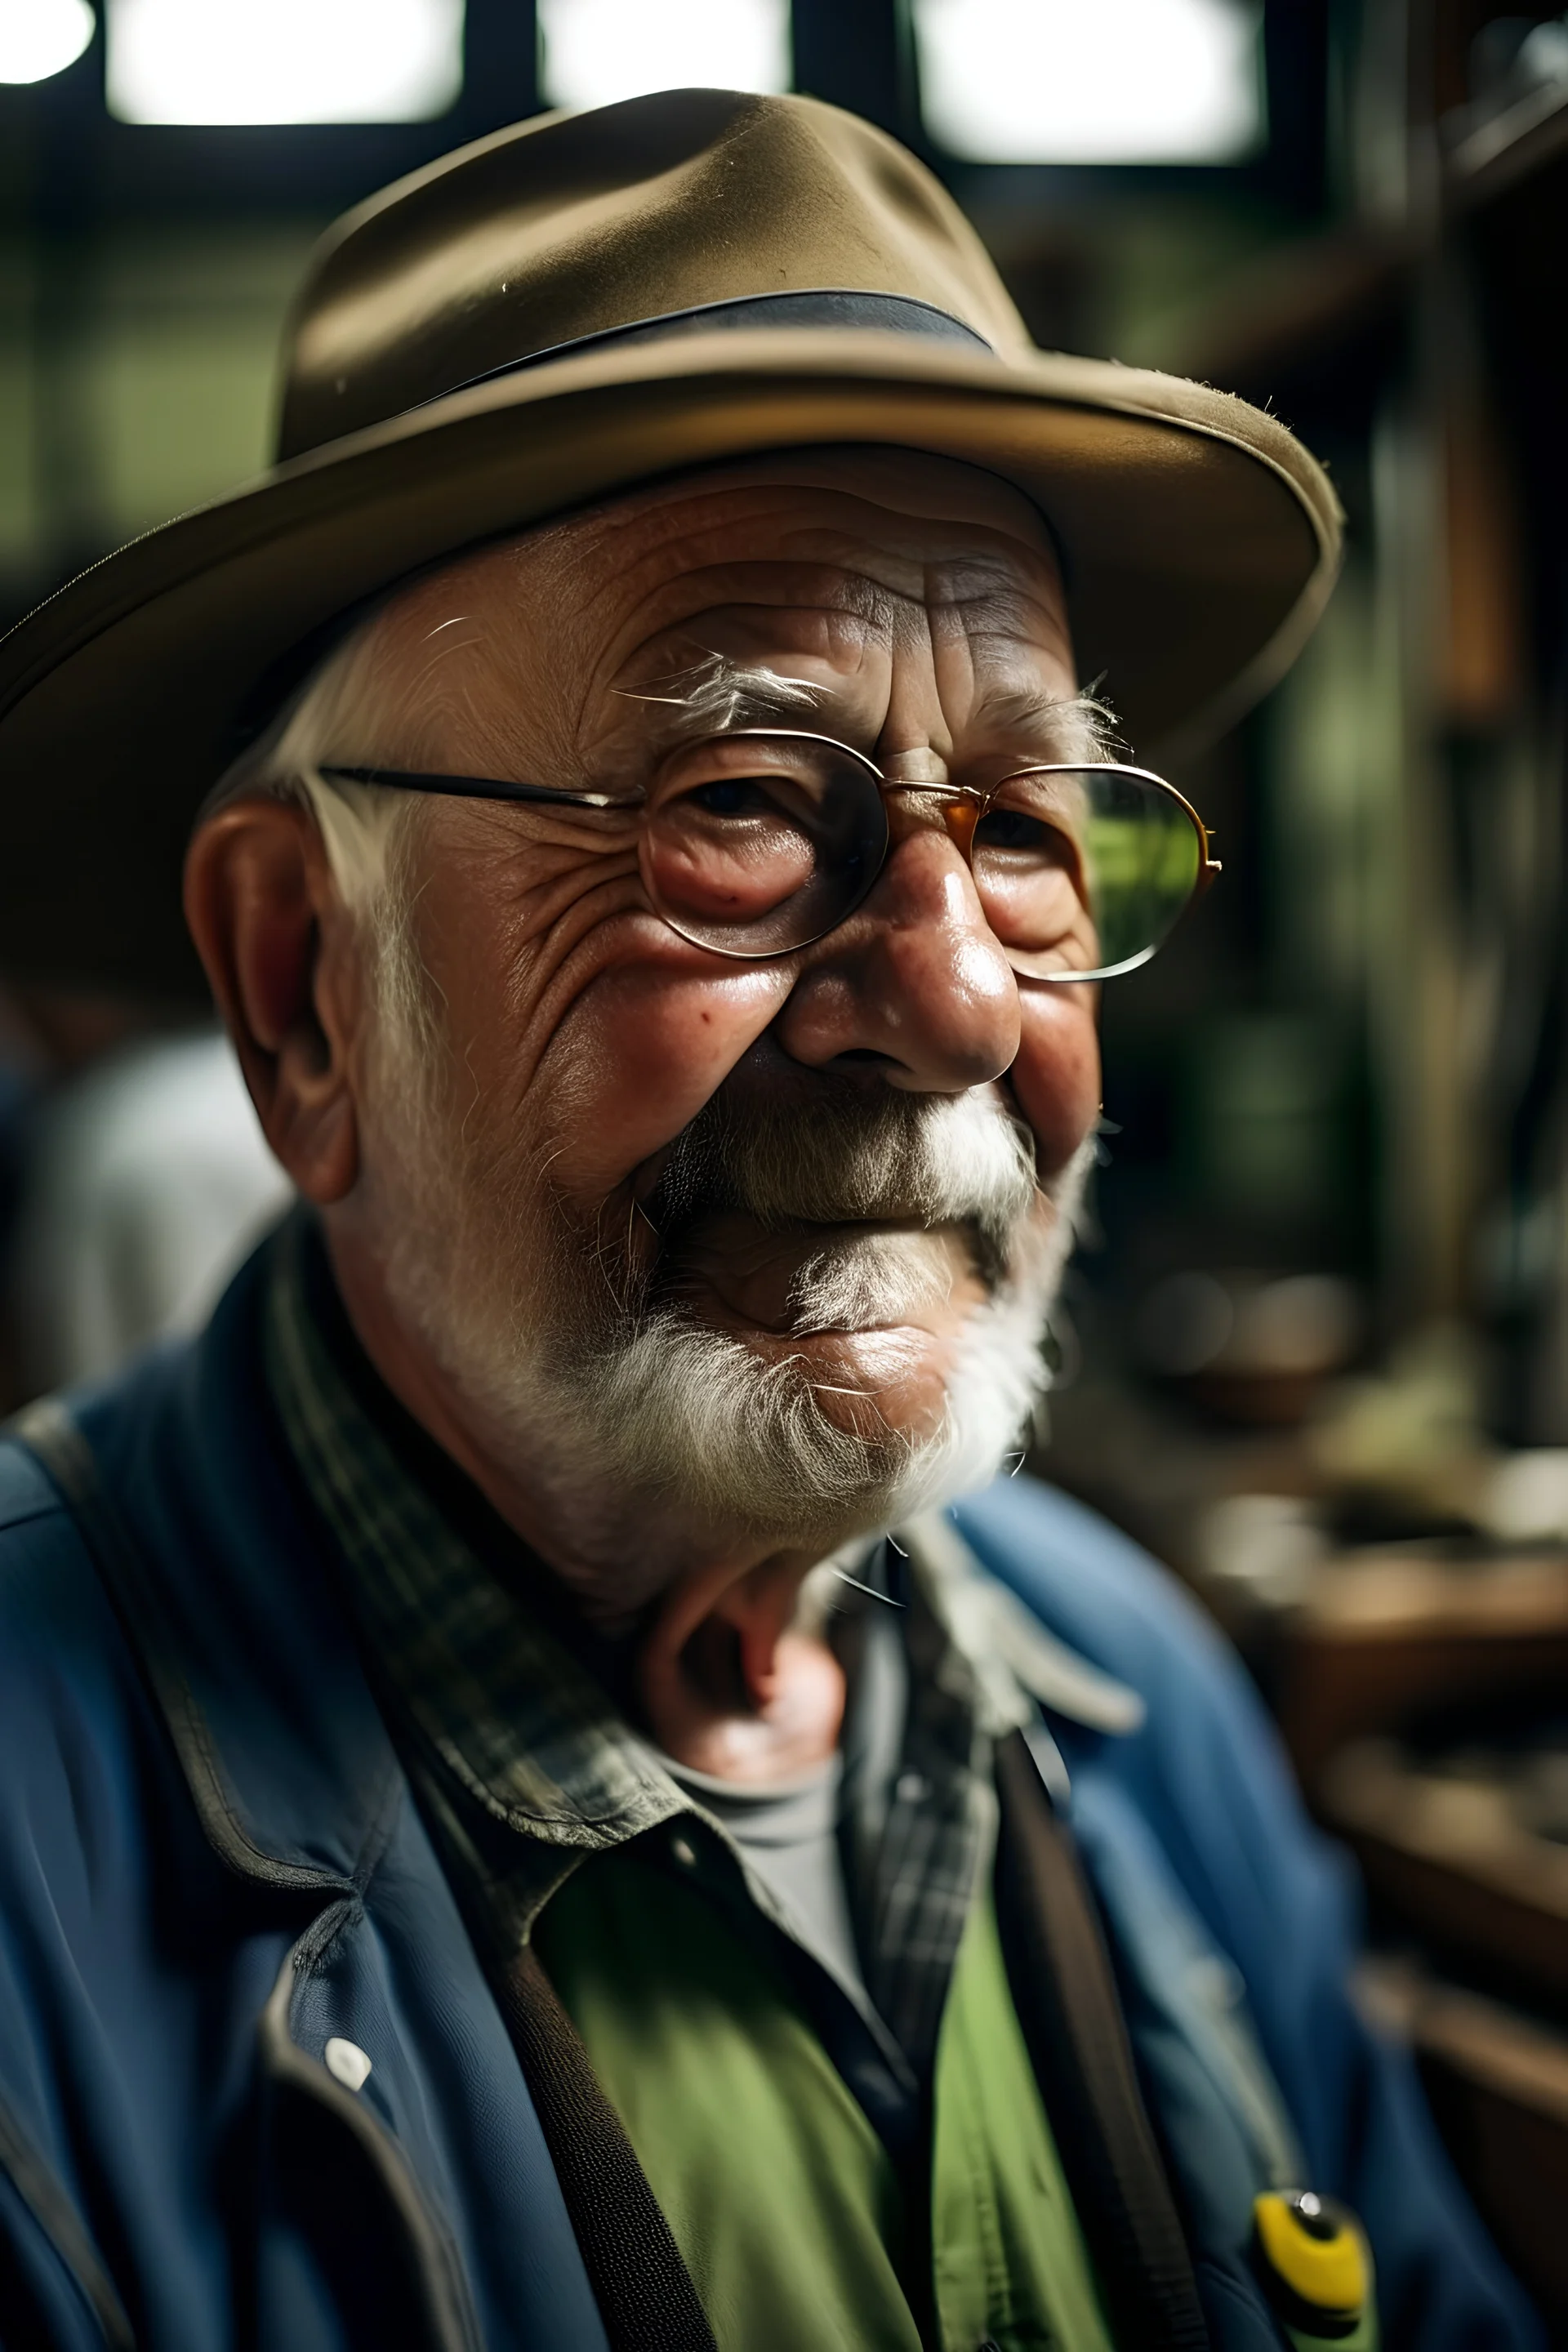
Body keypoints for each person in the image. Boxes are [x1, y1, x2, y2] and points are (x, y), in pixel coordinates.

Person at [0, 88, 1539, 2352]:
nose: (946, 1002)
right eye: (734, 805)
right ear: (305, 989)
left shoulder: (1138, 1713)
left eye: (1026, 826)